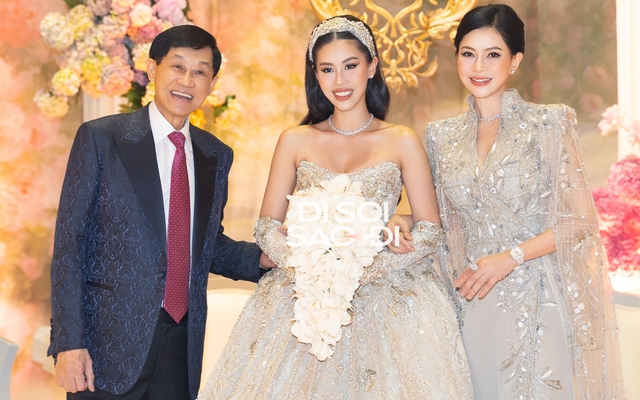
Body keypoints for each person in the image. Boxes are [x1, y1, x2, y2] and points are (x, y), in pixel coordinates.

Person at [197, 15, 473, 399]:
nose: (339, 80)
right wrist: (309, 268)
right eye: (327, 69)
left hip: (388, 298)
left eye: (350, 66)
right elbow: (266, 226)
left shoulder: (402, 140)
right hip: (302, 294)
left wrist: (361, 270)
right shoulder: (295, 140)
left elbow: (429, 229)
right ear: (315, 73)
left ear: (372, 66)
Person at [386, 4, 625, 399]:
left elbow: (579, 221)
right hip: (471, 300)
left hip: (538, 297)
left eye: (493, 54)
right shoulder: (441, 137)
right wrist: (403, 219)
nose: (479, 66)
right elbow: (443, 218)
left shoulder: (549, 123)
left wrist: (510, 257)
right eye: (468, 53)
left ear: (515, 61)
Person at [48, 24, 274, 400]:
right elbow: (70, 245)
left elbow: (205, 244)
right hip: (106, 346)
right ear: (153, 69)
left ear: (212, 83)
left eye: (200, 71)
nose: (187, 81)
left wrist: (264, 259)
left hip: (180, 346)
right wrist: (69, 343)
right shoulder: (102, 138)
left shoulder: (216, 155)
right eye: (178, 67)